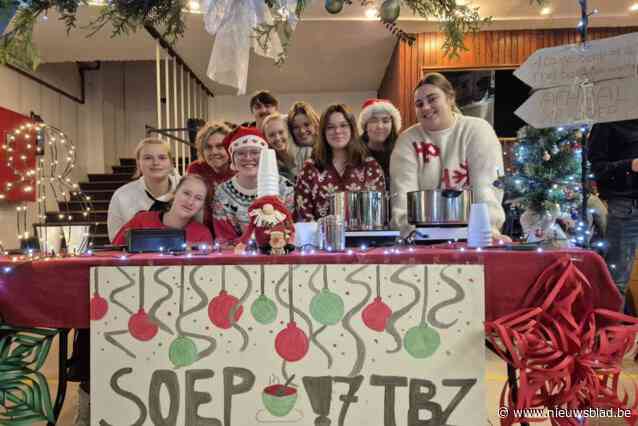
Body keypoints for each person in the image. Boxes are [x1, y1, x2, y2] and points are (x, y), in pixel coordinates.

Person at [390, 72, 506, 238]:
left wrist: (487, 229)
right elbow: (402, 195)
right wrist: (409, 232)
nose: (426, 107)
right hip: (421, 235)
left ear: (450, 98)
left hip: (473, 233)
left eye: (432, 99)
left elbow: (486, 186)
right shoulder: (407, 140)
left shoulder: (478, 130)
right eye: (419, 103)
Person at [295, 104, 385, 221]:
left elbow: (377, 215)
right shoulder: (310, 168)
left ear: (352, 129)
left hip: (363, 238)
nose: (337, 131)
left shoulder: (370, 167)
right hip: (320, 238)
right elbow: (303, 216)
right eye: (330, 127)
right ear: (323, 132)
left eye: (343, 125)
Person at [212, 127, 294, 245]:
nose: (248, 158)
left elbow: (290, 230)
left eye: (255, 152)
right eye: (240, 153)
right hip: (238, 257)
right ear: (232, 159)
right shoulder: (222, 193)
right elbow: (224, 239)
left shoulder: (285, 188)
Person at [588, 119, 638, 302]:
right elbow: (596, 168)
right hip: (626, 207)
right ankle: (610, 328)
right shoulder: (608, 122)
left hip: (626, 208)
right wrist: (630, 165)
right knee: (617, 281)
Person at [107, 138, 180, 242]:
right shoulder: (121, 196)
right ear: (138, 162)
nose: (156, 162)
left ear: (171, 162)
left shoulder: (186, 190)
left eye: (162, 157)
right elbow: (116, 240)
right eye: (148, 158)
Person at [112, 174, 213, 246]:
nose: (190, 201)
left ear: (202, 206)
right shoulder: (141, 221)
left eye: (198, 198)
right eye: (186, 193)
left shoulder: (202, 234)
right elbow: (114, 251)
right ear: (175, 192)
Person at [186, 121, 235, 233]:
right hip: (203, 231)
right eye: (208, 147)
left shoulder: (239, 170)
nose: (214, 152)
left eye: (220, 146)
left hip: (233, 232)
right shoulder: (195, 169)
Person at [358, 98, 402, 189]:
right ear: (365, 125)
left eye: (385, 121)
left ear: (392, 125)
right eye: (374, 121)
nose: (380, 126)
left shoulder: (402, 151)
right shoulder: (354, 154)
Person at [261, 112, 297, 181]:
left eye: (281, 132)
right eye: (271, 135)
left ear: (287, 132)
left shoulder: (303, 152)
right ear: (266, 139)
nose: (277, 138)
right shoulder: (269, 164)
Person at [288, 101, 320, 170]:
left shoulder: (330, 150)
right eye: (296, 127)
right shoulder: (292, 159)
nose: (302, 131)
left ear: (316, 124)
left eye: (306, 125)